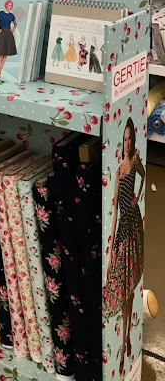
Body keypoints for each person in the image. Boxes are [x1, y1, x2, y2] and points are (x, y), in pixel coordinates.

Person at [102, 118, 145, 375]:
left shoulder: (136, 161)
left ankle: (126, 340)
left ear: (133, 141)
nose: (127, 143)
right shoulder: (118, 170)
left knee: (130, 287)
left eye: (130, 139)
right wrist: (110, 253)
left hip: (134, 226)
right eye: (124, 139)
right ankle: (125, 340)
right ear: (122, 142)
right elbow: (115, 211)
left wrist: (139, 194)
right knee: (123, 286)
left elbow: (144, 176)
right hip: (122, 232)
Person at [0, 0, 17, 78]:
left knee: (5, 54)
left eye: (11, 6)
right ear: (6, 5)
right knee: (0, 54)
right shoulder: (1, 13)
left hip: (8, 34)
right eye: (9, 5)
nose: (10, 7)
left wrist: (13, 29)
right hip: (2, 33)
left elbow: (15, 24)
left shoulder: (12, 15)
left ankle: (0, 71)